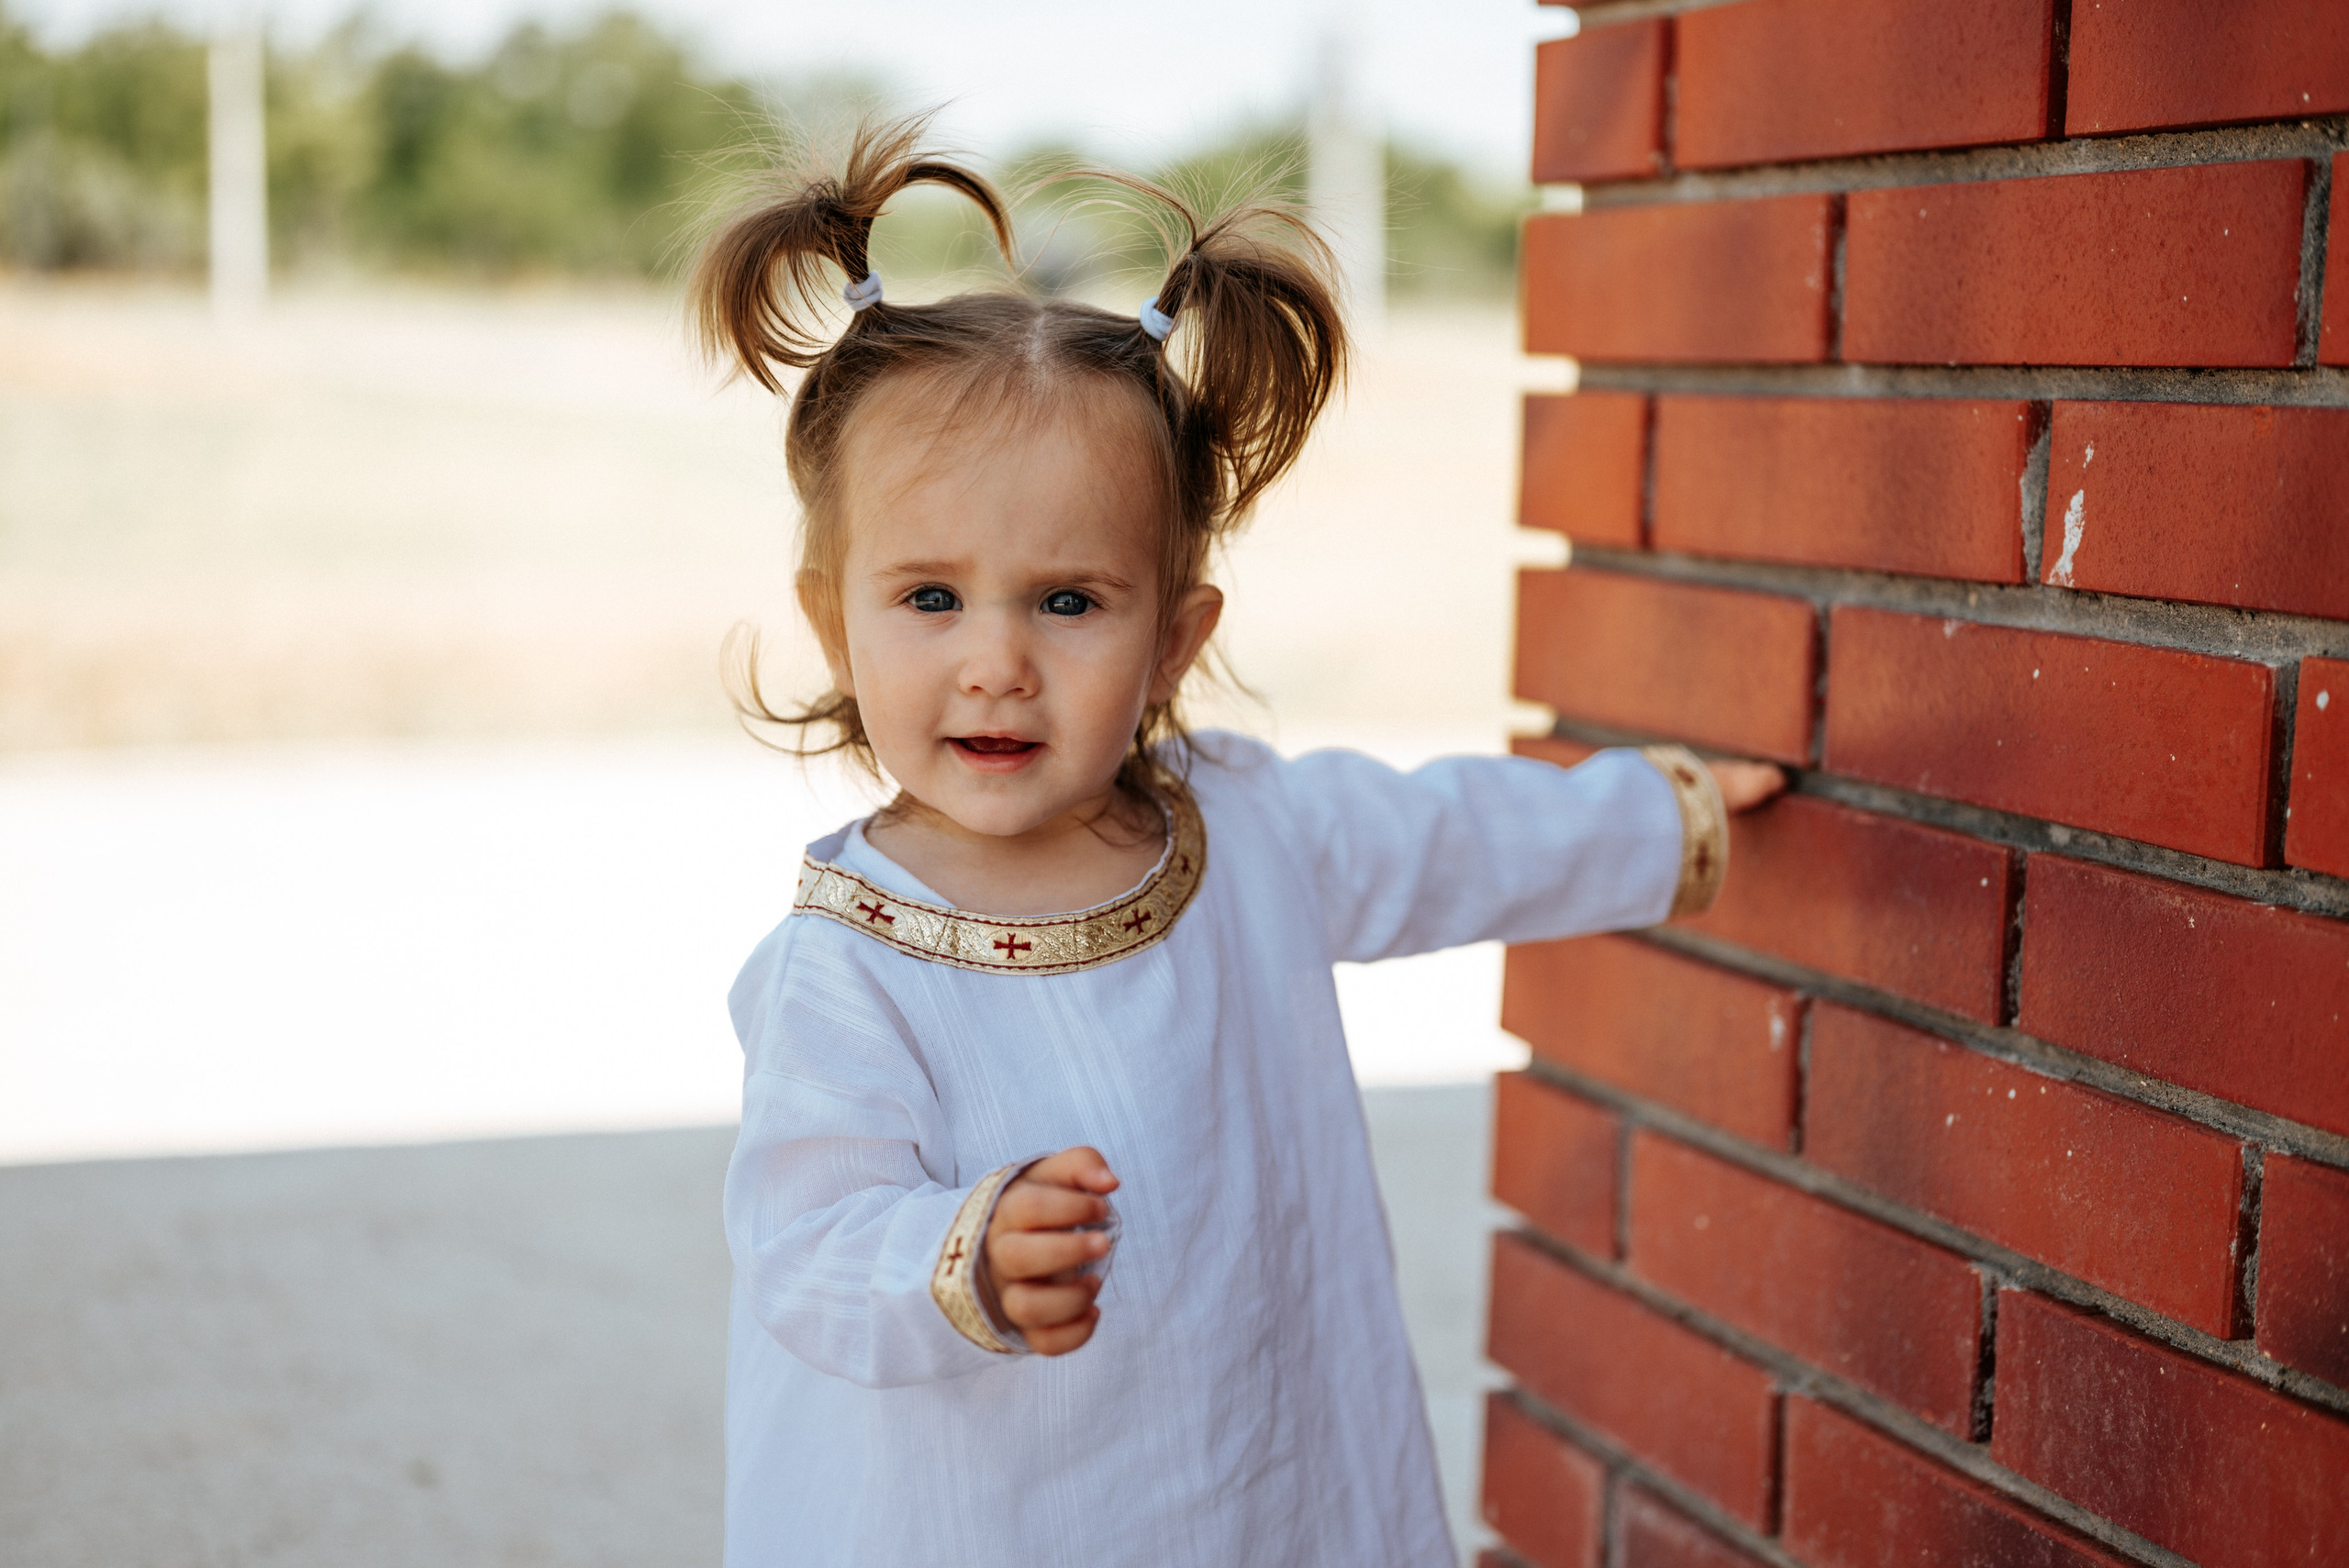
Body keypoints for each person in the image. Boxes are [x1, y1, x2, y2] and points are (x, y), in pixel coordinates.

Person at [696, 118, 1785, 1567]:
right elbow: (804, 1244)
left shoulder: (1251, 830)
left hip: (1257, 1466)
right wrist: (959, 1250)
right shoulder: (846, 962)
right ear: (836, 618)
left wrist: (1667, 812)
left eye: (1070, 602)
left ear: (1173, 638)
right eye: (932, 598)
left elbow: (1449, 838)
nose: (997, 662)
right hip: (990, 1514)